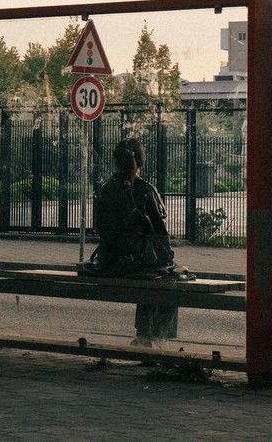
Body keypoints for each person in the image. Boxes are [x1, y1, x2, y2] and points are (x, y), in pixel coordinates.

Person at [78, 138, 193, 346]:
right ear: (142, 162)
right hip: (139, 264)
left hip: (110, 263)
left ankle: (144, 335)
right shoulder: (146, 190)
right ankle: (154, 337)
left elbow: (101, 227)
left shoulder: (107, 189)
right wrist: (168, 258)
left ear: (116, 161)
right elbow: (160, 234)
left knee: (153, 275)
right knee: (167, 278)